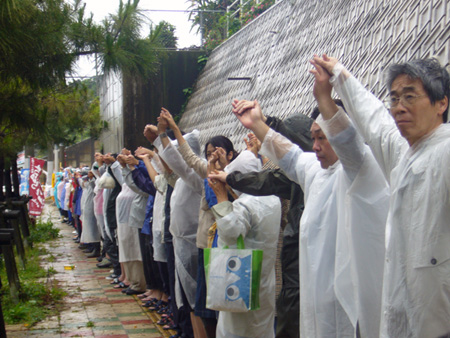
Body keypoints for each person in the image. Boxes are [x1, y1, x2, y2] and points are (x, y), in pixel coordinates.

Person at [231, 74, 390, 336]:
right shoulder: (317, 171)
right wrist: (258, 124)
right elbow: (291, 155)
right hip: (317, 300)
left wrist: (324, 97)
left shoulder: (360, 168)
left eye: (322, 138)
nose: (314, 146)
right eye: (313, 137)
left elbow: (348, 142)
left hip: (352, 306)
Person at [312, 54, 450, 337]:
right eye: (395, 99)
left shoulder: (445, 151)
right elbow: (373, 118)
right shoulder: (404, 154)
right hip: (402, 318)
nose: (399, 107)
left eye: (410, 97)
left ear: (441, 103)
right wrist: (339, 75)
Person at [208, 146, 281, 338]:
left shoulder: (245, 204)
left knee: (237, 329)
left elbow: (231, 231)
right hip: (263, 278)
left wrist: (221, 197)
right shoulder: (273, 199)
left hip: (240, 279)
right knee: (262, 327)